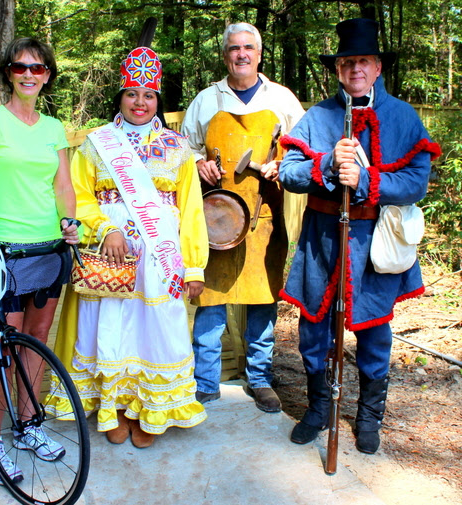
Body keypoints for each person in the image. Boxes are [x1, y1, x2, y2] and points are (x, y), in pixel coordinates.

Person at [279, 18, 441, 454]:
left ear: (377, 66)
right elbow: (290, 174)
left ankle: (369, 417)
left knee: (374, 330)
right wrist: (330, 164)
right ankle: (317, 409)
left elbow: (416, 182)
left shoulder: (403, 116)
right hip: (322, 241)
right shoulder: (318, 116)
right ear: (337, 69)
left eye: (363, 61)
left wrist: (368, 181)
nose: (355, 69)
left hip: (375, 242)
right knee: (314, 327)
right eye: (347, 62)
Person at [47, 46, 209, 448]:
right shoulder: (95, 145)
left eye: (149, 95)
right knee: (109, 328)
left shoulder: (178, 148)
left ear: (158, 99)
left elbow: (190, 210)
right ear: (120, 96)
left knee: (155, 331)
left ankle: (148, 411)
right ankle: (114, 408)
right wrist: (105, 228)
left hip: (159, 260)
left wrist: (194, 267)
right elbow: (77, 196)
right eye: (132, 93)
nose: (141, 102)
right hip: (110, 257)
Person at [0, 37, 79, 483]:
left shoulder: (54, 127)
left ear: (48, 75)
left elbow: (62, 185)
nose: (29, 74)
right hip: (5, 249)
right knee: (3, 347)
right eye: (20, 67)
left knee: (37, 337)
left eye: (38, 68)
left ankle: (28, 425)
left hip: (49, 248)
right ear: (8, 73)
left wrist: (69, 220)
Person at [181, 22, 305, 412]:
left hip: (265, 216)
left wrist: (281, 165)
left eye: (248, 48)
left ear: (259, 53)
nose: (241, 55)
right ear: (224, 55)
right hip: (216, 218)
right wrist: (197, 162)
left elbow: (305, 151)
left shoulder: (282, 100)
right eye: (234, 48)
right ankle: (205, 381)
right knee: (210, 300)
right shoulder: (206, 100)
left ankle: (259, 378)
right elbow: (181, 150)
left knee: (262, 300)